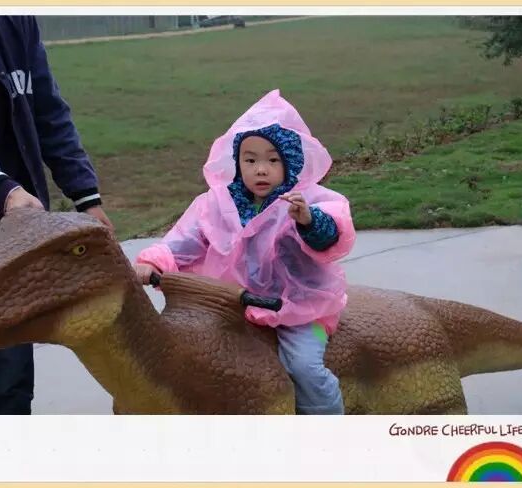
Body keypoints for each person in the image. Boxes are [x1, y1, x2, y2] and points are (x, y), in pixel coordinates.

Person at [134, 89, 356, 414]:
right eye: (250, 160)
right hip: (233, 302)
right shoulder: (216, 204)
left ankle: (326, 425)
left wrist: (308, 221)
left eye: (272, 160)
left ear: (290, 162)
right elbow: (185, 240)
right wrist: (153, 261)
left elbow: (332, 232)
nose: (260, 169)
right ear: (237, 163)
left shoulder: (308, 200)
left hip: (301, 308)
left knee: (304, 367)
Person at [0, 15, 113, 414]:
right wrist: (0, 188)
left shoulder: (15, 20)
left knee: (9, 386)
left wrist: (86, 198)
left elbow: (48, 112)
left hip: (7, 241)